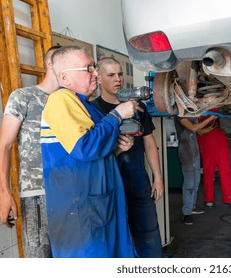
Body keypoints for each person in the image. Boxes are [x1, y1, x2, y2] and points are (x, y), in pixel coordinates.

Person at [40, 46, 138, 257]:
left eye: (94, 67)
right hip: (80, 215)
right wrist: (117, 115)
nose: (95, 73)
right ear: (65, 77)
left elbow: (98, 150)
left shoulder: (86, 106)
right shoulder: (60, 101)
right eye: (88, 68)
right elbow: (84, 147)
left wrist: (117, 149)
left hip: (99, 208)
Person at [91, 57, 164, 257]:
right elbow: (91, 152)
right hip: (111, 187)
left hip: (139, 183)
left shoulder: (137, 107)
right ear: (99, 78)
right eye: (111, 75)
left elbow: (150, 142)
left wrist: (157, 177)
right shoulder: (92, 110)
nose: (118, 79)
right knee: (117, 242)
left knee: (149, 237)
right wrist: (117, 150)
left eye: (120, 74)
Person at [0, 45, 61, 257]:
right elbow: (4, 145)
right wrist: (4, 192)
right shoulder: (23, 97)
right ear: (50, 64)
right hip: (36, 195)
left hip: (68, 192)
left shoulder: (70, 102)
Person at [174, 115, 217, 225]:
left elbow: (199, 131)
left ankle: (192, 207)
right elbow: (193, 128)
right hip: (186, 150)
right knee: (189, 183)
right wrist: (210, 118)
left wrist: (211, 127)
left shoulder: (192, 115)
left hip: (194, 149)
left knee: (196, 180)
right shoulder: (179, 114)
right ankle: (187, 213)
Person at [197, 110, 231, 208]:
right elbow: (198, 131)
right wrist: (211, 122)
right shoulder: (198, 108)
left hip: (221, 140)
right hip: (207, 141)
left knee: (225, 171)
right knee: (208, 171)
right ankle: (209, 199)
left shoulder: (221, 106)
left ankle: (229, 198)